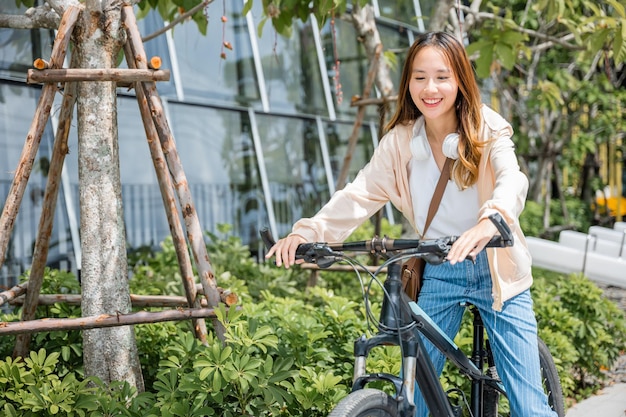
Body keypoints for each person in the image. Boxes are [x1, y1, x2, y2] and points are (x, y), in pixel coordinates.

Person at [265, 31, 557, 417]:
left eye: (441, 76)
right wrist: (309, 232)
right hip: (440, 267)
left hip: (496, 269)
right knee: (416, 404)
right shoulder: (402, 142)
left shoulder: (486, 128)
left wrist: (492, 220)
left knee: (530, 409)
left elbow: (512, 179)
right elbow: (360, 193)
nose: (430, 88)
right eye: (419, 77)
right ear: (408, 83)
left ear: (460, 81)